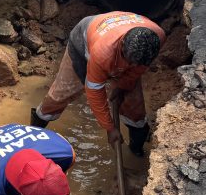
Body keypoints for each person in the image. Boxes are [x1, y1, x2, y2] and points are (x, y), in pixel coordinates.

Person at [31, 12, 165, 157]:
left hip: (114, 39)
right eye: (129, 61)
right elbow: (95, 92)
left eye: (136, 63)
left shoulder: (158, 36)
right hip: (82, 42)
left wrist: (122, 86)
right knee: (63, 92)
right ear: (122, 45)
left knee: (133, 103)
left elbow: (138, 69)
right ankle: (34, 134)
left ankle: (137, 148)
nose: (131, 66)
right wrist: (110, 128)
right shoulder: (103, 53)